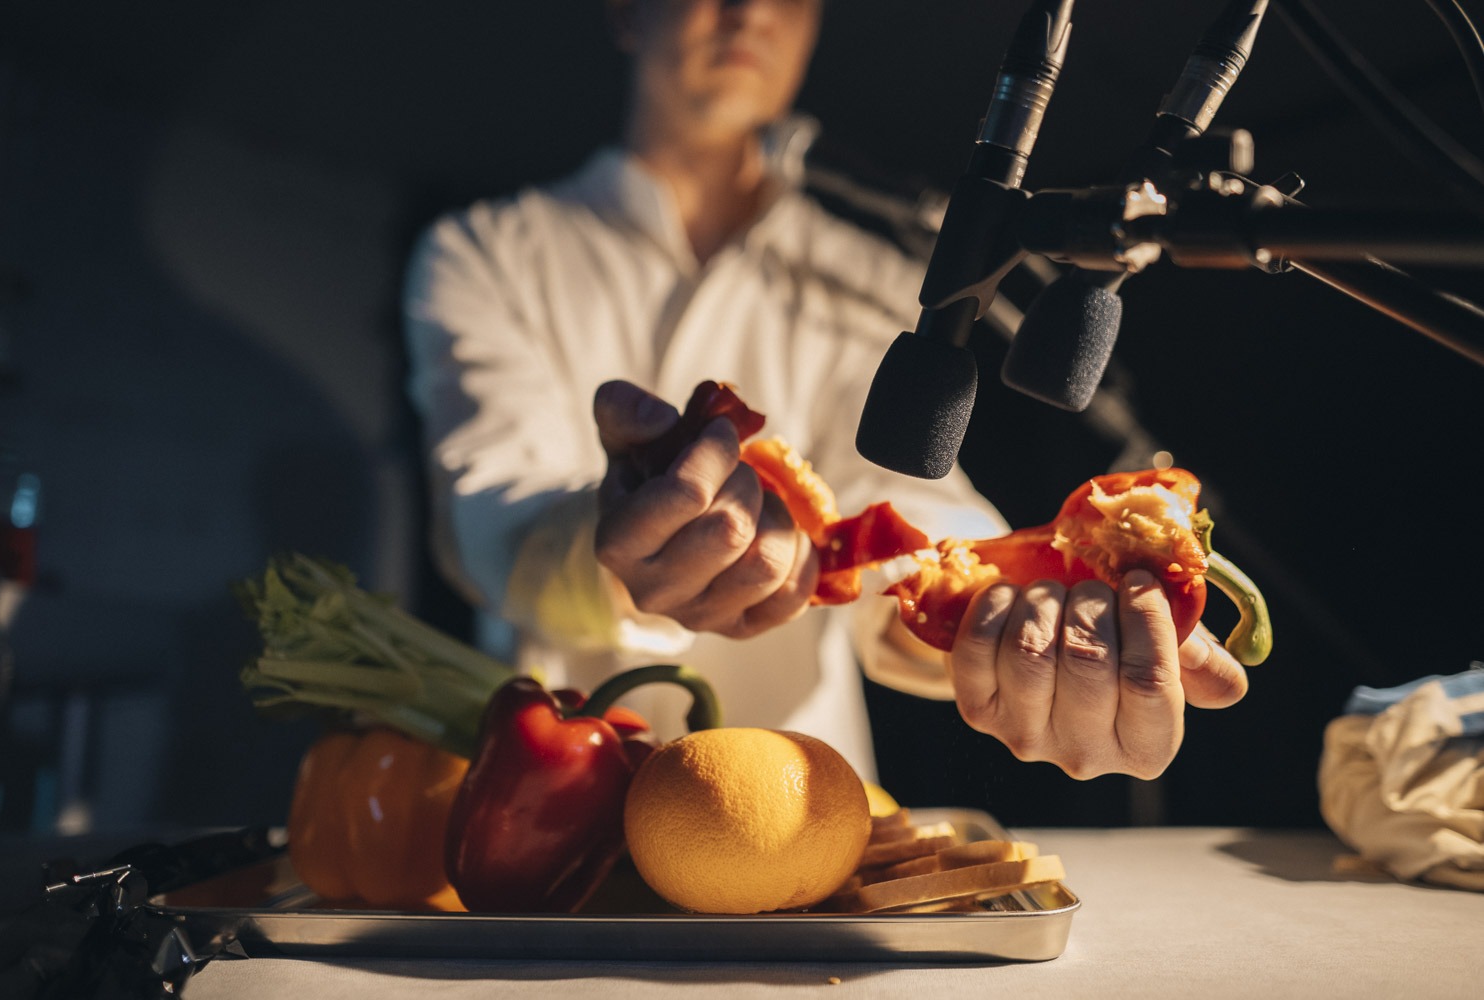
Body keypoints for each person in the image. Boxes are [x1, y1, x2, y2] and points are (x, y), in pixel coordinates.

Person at [403, 0, 1248, 785]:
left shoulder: (870, 275)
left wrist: (1022, 611)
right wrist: (615, 546)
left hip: (800, 804)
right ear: (627, 10)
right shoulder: (485, 253)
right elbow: (490, 521)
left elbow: (908, 508)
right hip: (552, 795)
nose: (751, 11)